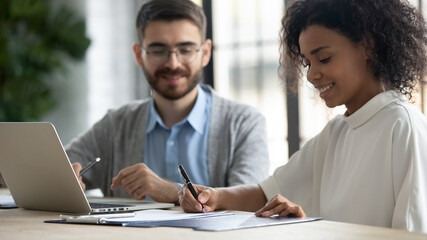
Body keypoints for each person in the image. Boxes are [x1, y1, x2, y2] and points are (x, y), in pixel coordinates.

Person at [178, 0, 427, 233]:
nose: (310, 76)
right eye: (308, 63)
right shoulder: (336, 132)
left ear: (368, 47)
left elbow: (414, 233)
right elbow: (267, 193)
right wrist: (214, 196)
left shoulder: (402, 125)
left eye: (324, 58)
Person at [67, 0, 269, 203]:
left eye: (185, 50)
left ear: (205, 53)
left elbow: (252, 202)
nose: (173, 63)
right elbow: (56, 166)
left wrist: (172, 191)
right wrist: (65, 175)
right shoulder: (116, 124)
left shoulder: (244, 123)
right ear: (139, 55)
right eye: (158, 50)